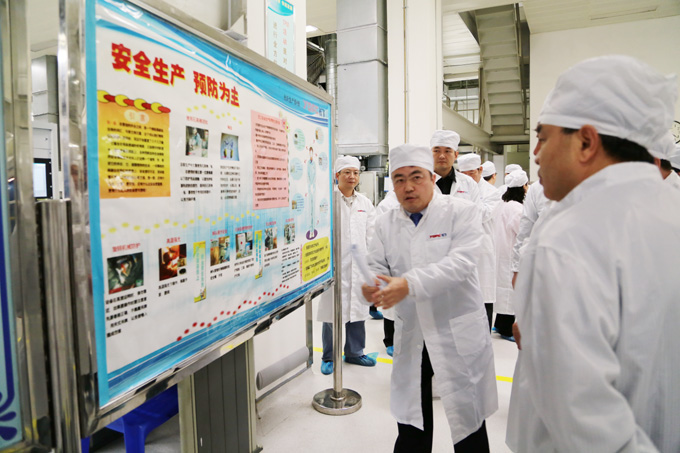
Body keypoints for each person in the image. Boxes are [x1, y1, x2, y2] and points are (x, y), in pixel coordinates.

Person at [506, 55, 680, 453]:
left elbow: (587, 425)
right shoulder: (670, 209)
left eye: (543, 137)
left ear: (586, 142)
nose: (536, 153)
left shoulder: (567, 239)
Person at [363, 144, 497, 453]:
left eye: (416, 177)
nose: (408, 187)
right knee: (412, 420)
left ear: (432, 178)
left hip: (456, 329)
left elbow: (461, 264)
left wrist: (408, 284)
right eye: (399, 179)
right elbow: (376, 265)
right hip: (413, 330)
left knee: (469, 420)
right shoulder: (385, 222)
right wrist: (372, 286)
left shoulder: (461, 212)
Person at [317, 155, 377, 375]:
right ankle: (329, 356)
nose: (352, 177)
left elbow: (372, 234)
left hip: (359, 266)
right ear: (337, 175)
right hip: (334, 266)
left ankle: (355, 352)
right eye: (347, 173)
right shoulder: (327, 201)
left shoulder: (365, 203)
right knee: (332, 313)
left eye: (355, 173)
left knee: (358, 311)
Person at [458, 153, 500, 330]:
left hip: (482, 248)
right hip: (459, 247)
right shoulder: (457, 187)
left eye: (472, 173)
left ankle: (484, 336)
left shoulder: (492, 192)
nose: (468, 178)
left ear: (480, 170)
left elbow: (483, 215)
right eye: (464, 174)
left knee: (483, 294)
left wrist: (465, 203)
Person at [491, 169, 527, 341]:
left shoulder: (502, 204)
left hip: (498, 251)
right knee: (508, 292)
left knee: (502, 289)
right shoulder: (517, 208)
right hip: (510, 253)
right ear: (523, 187)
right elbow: (522, 231)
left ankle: (499, 323)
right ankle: (506, 329)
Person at [429, 130, 480, 203]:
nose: (442, 156)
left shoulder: (469, 183)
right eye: (437, 151)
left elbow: (476, 209)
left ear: (456, 155)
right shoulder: (420, 182)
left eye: (447, 151)